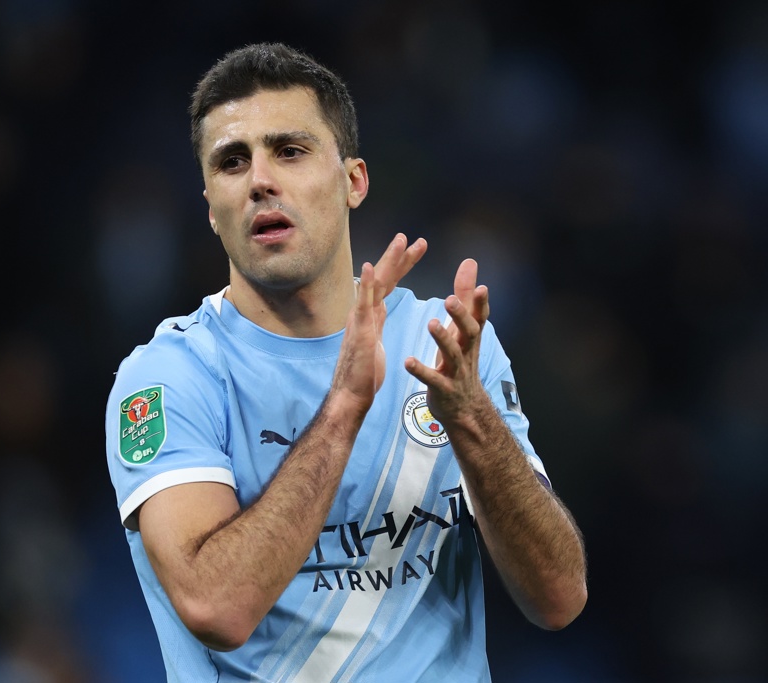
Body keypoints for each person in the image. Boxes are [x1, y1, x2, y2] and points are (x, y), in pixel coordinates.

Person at [105, 42, 587, 683]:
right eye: (232, 161)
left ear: (354, 180)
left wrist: (472, 418)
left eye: (290, 150)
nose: (260, 180)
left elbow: (559, 597)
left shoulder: (442, 344)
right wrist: (343, 408)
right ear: (211, 207)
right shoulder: (168, 379)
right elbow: (217, 607)